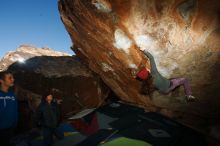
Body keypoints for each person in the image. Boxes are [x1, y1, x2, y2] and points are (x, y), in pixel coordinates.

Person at [0, 71, 18, 146]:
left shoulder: (12, 94)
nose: (13, 79)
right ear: (1, 80)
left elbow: (15, 110)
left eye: (13, 77)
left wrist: (15, 124)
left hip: (11, 129)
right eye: (10, 78)